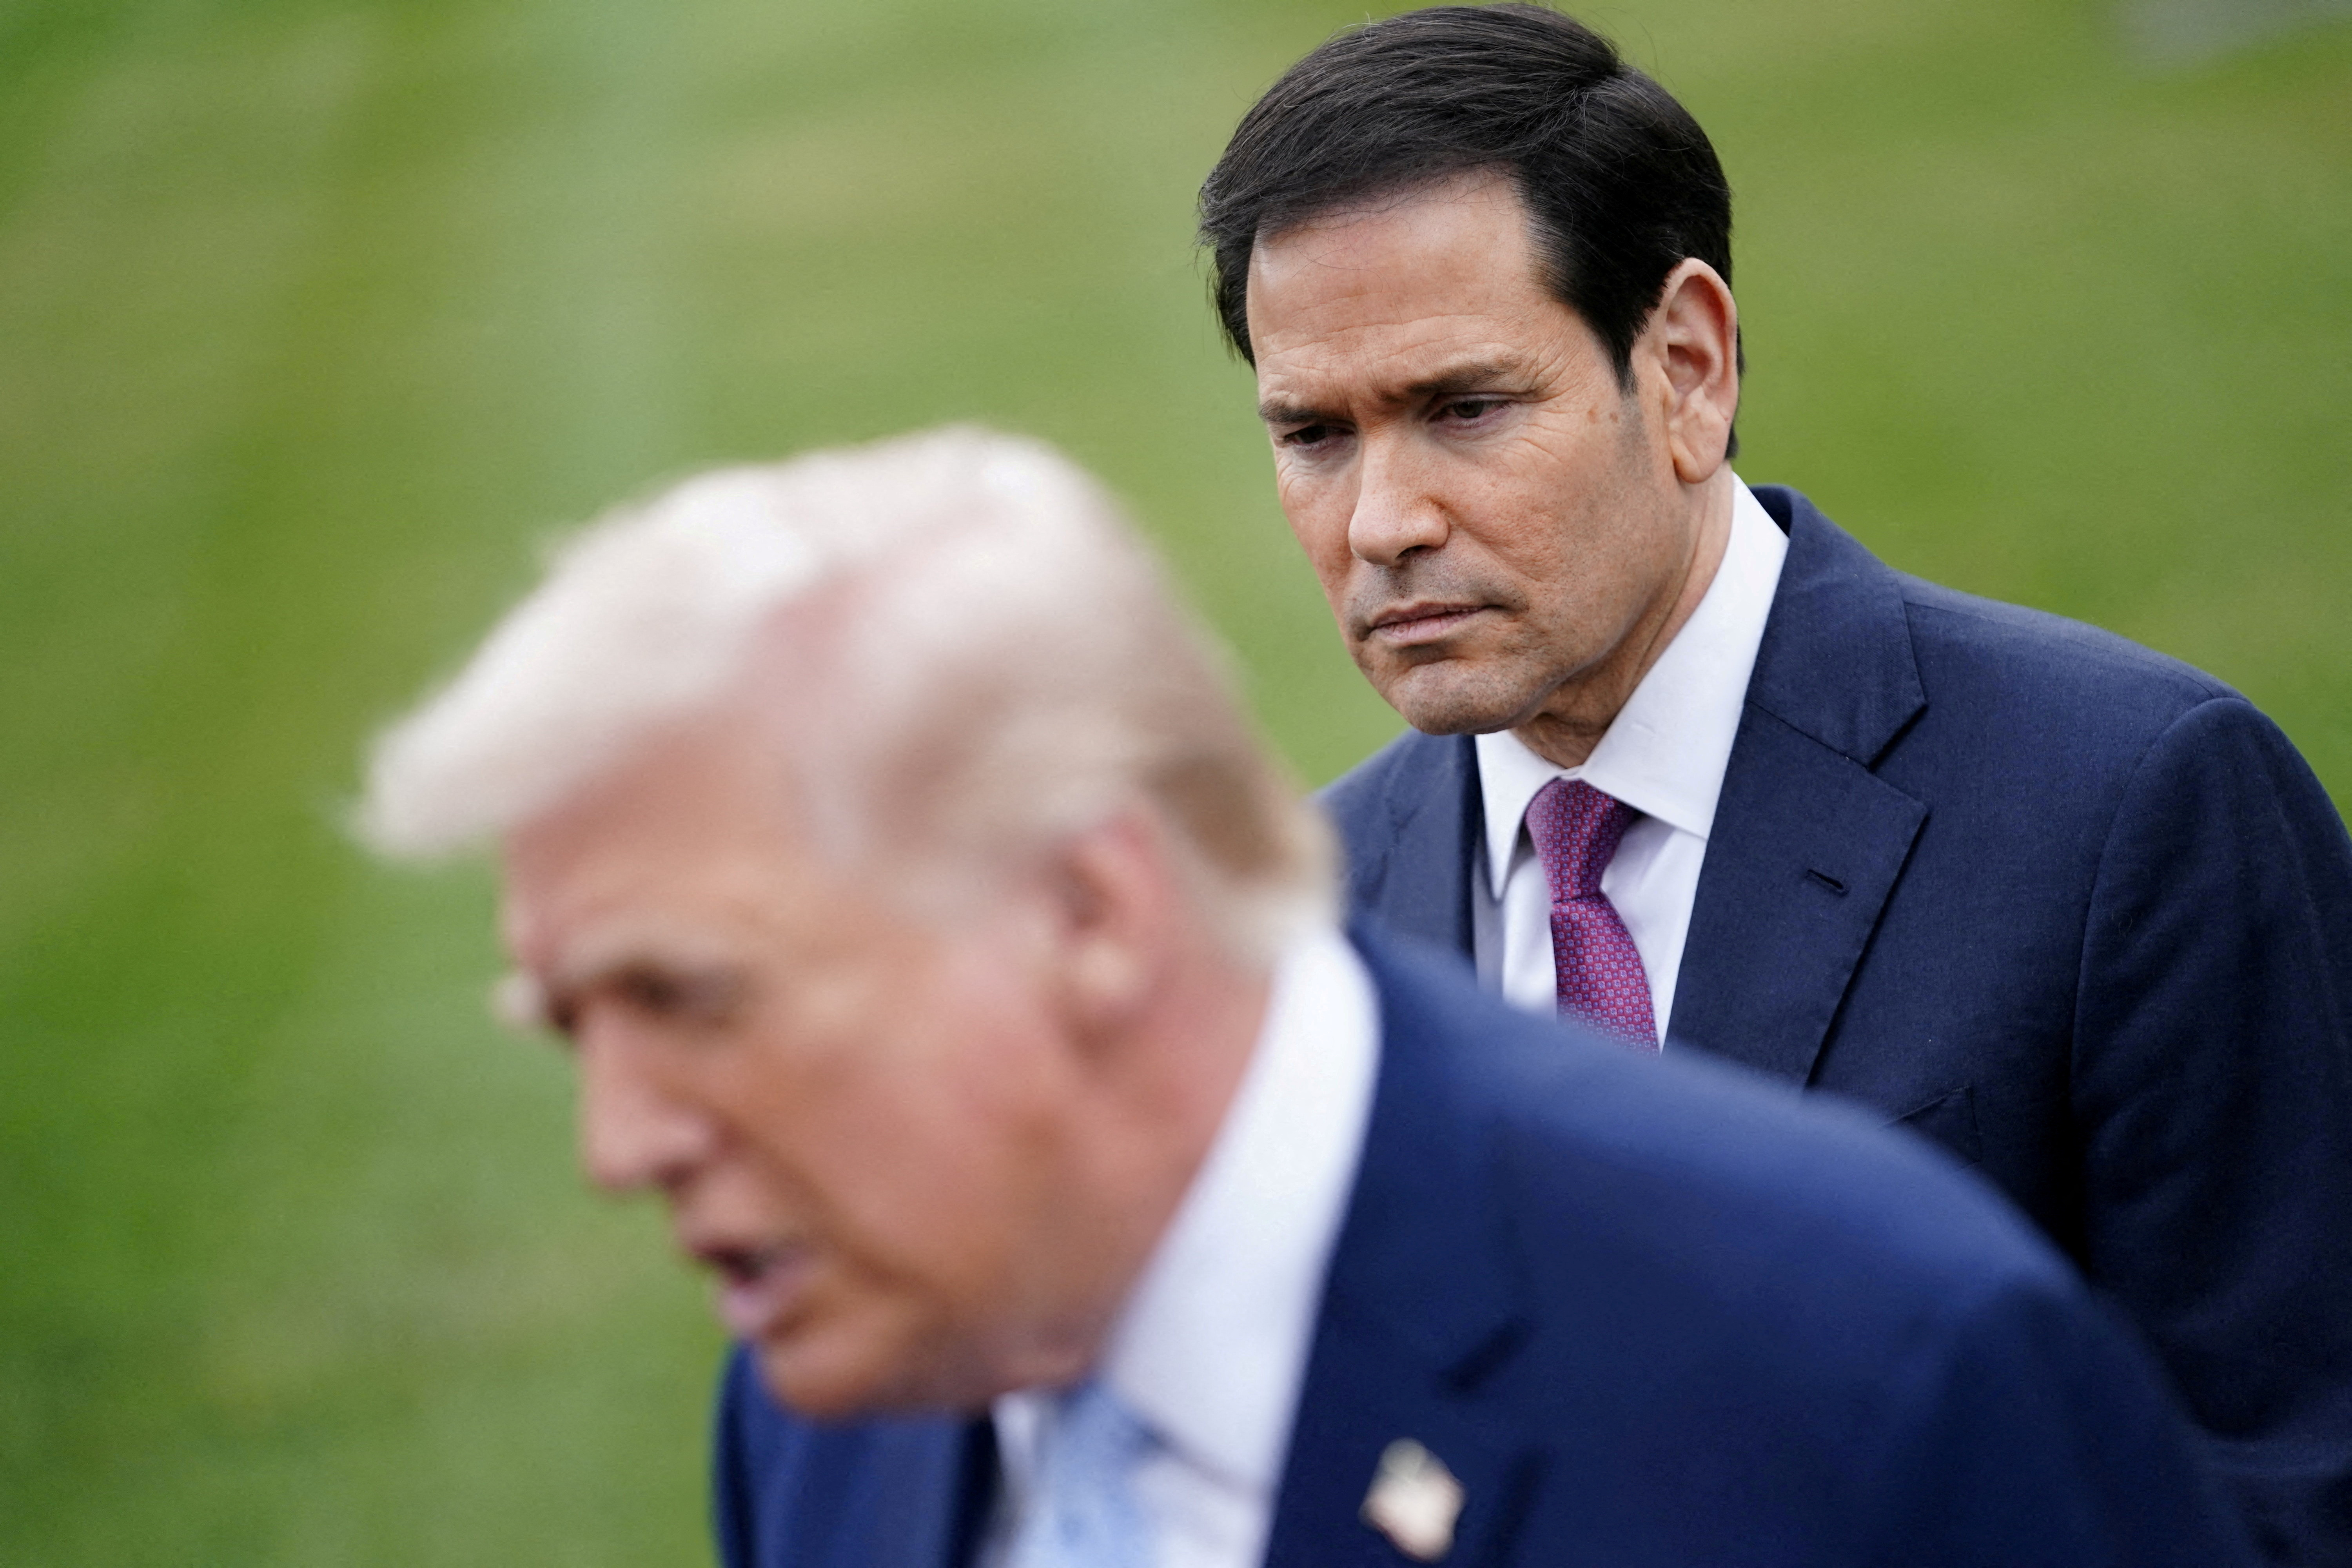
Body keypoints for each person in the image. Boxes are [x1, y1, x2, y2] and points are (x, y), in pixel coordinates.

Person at [360, 426, 2253, 1566]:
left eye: (694, 998)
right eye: (570, 1025)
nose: (619, 1145)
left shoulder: (1859, 1371)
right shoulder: (825, 1407)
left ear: (1089, 911)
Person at [1195, 5, 2352, 1561]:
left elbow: (2289, 1495)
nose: (1385, 518)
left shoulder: (2136, 811)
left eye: (1463, 408)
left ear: (1684, 364)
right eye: (1315, 436)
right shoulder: (1298, 937)